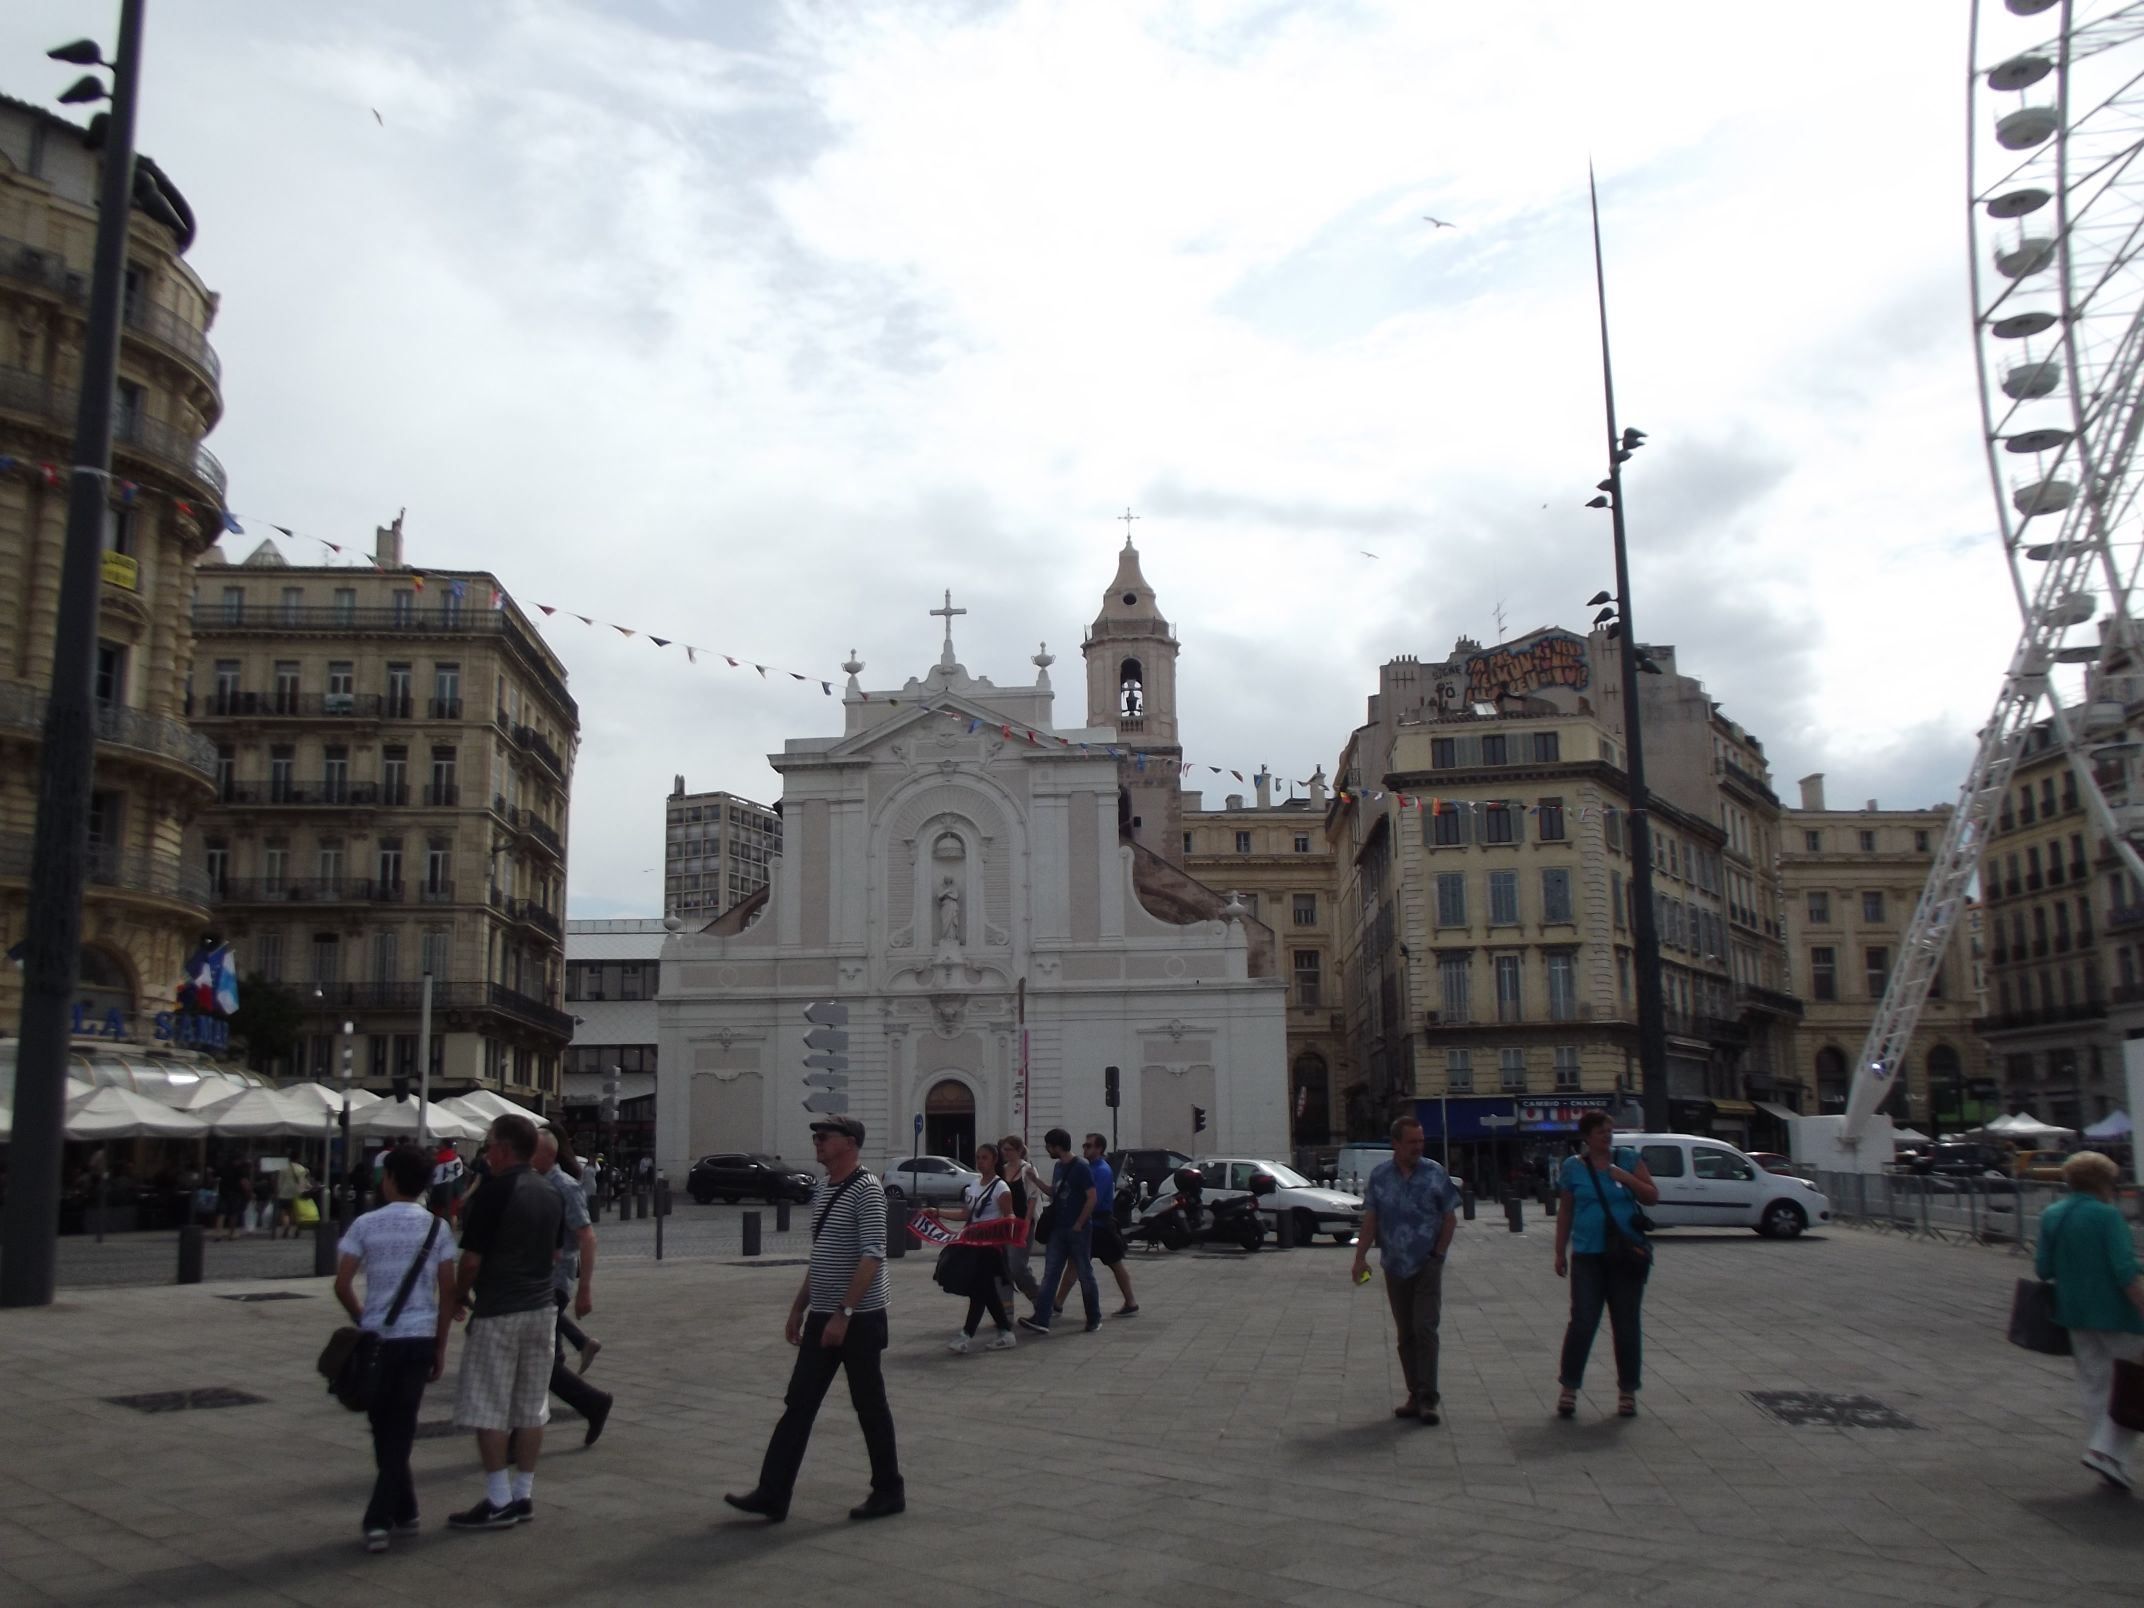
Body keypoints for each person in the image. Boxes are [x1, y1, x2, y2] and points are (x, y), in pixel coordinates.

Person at [724, 1114, 903, 1523]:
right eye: (816, 1137)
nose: (817, 1143)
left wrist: (845, 1312)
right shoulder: (824, 1190)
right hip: (824, 1315)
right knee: (798, 1403)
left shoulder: (868, 1190)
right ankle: (773, 1493)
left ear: (850, 1143)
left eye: (825, 1137)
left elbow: (873, 1253)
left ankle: (889, 1489)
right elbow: (822, 1254)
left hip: (858, 1318)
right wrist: (799, 1305)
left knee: (869, 1405)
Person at [334, 1145, 460, 1553]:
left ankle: (377, 1519)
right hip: (419, 1338)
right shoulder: (437, 1229)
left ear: (389, 1179)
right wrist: (441, 1346)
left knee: (385, 1428)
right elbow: (448, 1293)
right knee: (399, 1427)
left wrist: (363, 1317)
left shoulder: (365, 1225)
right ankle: (404, 1508)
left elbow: (342, 1283)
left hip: (377, 1342)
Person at [447, 1115, 564, 1531]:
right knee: (531, 1406)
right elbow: (554, 1255)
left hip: (500, 1309)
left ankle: (497, 1499)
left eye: (489, 1144)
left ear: (503, 1148)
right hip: (542, 1308)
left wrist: (461, 1294)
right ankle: (524, 1494)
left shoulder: (496, 1191)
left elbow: (472, 1259)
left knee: (489, 1406)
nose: (486, 1152)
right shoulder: (552, 1192)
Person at [2036, 1150, 2144, 1491]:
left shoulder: (2052, 1214)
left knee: (2095, 1383)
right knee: (2134, 1384)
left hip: (2073, 1312)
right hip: (2117, 1313)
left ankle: (2108, 1458)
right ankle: (2105, 1452)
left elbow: (2043, 1268)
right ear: (2103, 1182)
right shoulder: (2107, 1217)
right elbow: (2124, 1270)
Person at [1351, 1115, 1462, 1425]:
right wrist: (1360, 1258)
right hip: (1394, 1265)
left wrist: (1438, 1254)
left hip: (1427, 1262)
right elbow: (1371, 1219)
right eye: (1412, 1142)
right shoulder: (1381, 1176)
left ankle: (1428, 1398)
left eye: (1421, 1141)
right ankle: (1414, 1394)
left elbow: (1449, 1218)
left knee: (1425, 1327)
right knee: (1406, 1333)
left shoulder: (1435, 1173)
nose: (1418, 1147)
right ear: (1395, 1144)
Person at [1553, 1111, 1660, 1420]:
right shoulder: (1574, 1168)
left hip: (1625, 1257)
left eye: (1610, 1130)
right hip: (1587, 1255)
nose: (1607, 1135)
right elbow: (1565, 1212)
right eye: (1601, 1131)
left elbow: (1652, 1196)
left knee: (1626, 1324)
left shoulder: (1627, 1159)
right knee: (1583, 1322)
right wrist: (1560, 1251)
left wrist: (1625, 1178)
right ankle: (1569, 1388)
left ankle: (1627, 1391)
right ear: (1586, 1137)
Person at [534, 1128, 612, 1442]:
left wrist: (585, 1289)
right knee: (540, 1357)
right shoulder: (534, 1183)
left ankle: (592, 1403)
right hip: (536, 1278)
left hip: (555, 1279)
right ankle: (591, 1403)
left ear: (548, 1154)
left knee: (536, 1359)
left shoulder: (565, 1186)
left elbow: (587, 1237)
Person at [1019, 1128, 1100, 1337]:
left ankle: (1094, 1318)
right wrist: (1035, 1181)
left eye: (1048, 1145)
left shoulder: (1081, 1167)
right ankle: (1042, 1319)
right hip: (1058, 1229)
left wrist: (1080, 1223)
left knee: (1085, 1274)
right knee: (1050, 1274)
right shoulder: (1058, 1167)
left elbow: (1092, 1197)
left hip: (1077, 1230)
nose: (1047, 1149)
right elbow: (1055, 1192)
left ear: (1056, 1146)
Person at [939, 1143, 1017, 1353]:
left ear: (994, 1160)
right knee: (985, 1290)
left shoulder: (1001, 1188)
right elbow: (966, 1214)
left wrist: (1006, 1231)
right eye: (978, 1157)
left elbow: (1009, 1216)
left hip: (990, 1248)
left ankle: (966, 1335)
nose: (980, 1161)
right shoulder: (973, 1185)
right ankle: (1005, 1331)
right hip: (972, 1244)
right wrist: (938, 1212)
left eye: (984, 1158)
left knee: (979, 1290)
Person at [1054, 1134, 1137, 1319]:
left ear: (1099, 1148)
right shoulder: (1090, 1168)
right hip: (1092, 1224)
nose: (1085, 1149)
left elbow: (1093, 1199)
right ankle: (1057, 1304)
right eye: (1084, 1145)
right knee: (1074, 1264)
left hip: (1100, 1225)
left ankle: (1130, 1302)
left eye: (1089, 1146)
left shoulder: (1101, 1170)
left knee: (1114, 1263)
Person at [998, 1134, 1045, 1303]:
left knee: (1017, 1265)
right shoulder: (1002, 1170)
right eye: (1003, 1149)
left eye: (1009, 1149)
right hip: (1004, 1224)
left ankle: (1039, 1298)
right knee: (1003, 1267)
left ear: (1018, 1150)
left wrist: (1026, 1222)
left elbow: (1033, 1197)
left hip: (1022, 1223)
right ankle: (1006, 1308)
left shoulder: (1027, 1170)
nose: (1005, 1153)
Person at [275, 1156, 312, 1239]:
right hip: (297, 1194)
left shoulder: (283, 1168)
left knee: (285, 1212)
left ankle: (286, 1227)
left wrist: (278, 1191)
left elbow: (280, 1182)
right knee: (295, 1213)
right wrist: (308, 1187)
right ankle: (296, 1229)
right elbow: (305, 1182)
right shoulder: (302, 1169)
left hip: (284, 1193)